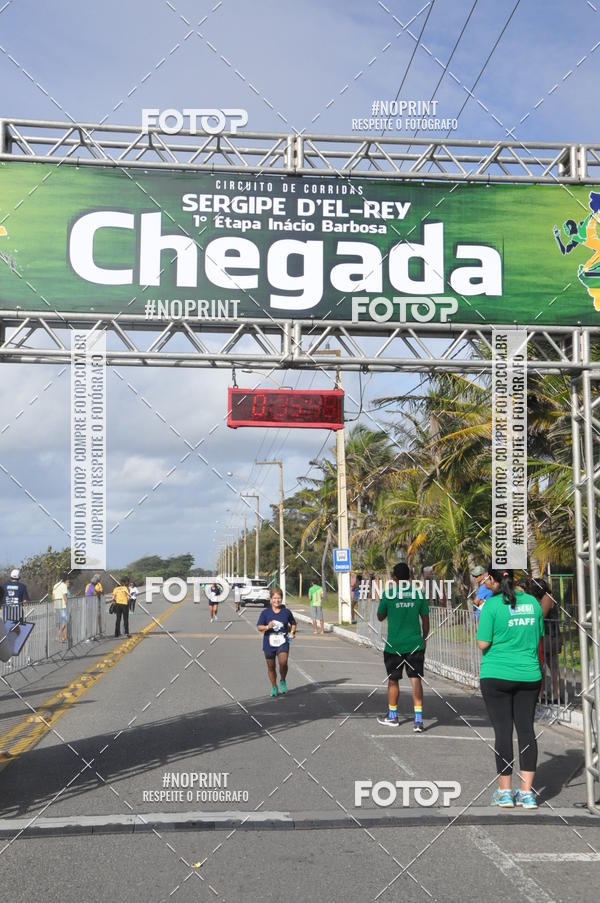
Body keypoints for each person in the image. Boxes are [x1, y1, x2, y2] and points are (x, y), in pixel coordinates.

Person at [476, 565, 544, 809]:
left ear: (493, 580)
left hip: (496, 674)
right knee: (526, 730)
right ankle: (527, 793)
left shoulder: (491, 605)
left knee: (503, 732)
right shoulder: (533, 603)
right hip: (528, 674)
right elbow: (538, 637)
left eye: (487, 579)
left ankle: (505, 792)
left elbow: (483, 643)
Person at [376, 562, 429, 732]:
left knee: (393, 680)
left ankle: (393, 716)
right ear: (410, 577)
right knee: (416, 679)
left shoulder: (388, 594)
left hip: (394, 646)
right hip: (415, 644)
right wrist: (424, 638)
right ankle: (418, 721)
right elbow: (425, 619)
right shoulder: (418, 594)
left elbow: (380, 616)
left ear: (394, 578)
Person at [257, 586, 297, 697]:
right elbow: (259, 627)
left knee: (283, 662)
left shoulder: (286, 612)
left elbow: (293, 623)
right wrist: (267, 626)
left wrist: (292, 632)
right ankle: (274, 686)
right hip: (269, 643)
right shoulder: (265, 612)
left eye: (279, 598)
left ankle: (283, 680)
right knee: (271, 667)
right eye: (274, 598)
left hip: (283, 641)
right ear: (271, 599)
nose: (276, 600)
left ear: (282, 598)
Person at [529, 577, 563, 704]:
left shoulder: (547, 597)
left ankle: (556, 694)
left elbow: (541, 615)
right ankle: (541, 692)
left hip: (550, 635)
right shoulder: (540, 598)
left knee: (551, 665)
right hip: (544, 635)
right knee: (541, 665)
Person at [52, 575, 70, 642]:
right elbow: (64, 595)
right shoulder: (64, 585)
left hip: (57, 605)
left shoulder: (55, 585)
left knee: (59, 622)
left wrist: (54, 604)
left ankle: (63, 637)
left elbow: (53, 596)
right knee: (64, 621)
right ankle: (58, 635)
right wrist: (66, 602)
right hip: (62, 605)